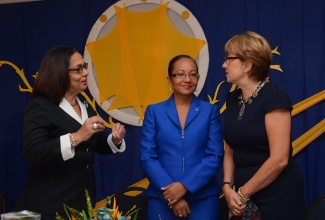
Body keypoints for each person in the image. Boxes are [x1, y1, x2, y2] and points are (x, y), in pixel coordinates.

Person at [14, 45, 126, 219]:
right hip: (51, 207)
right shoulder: (40, 106)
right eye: (78, 69)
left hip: (82, 205)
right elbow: (33, 153)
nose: (86, 73)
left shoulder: (84, 105)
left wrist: (115, 139)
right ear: (59, 74)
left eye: (85, 67)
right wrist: (78, 136)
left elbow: (95, 143)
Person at [222, 31, 306, 219]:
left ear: (247, 65)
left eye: (229, 59)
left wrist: (243, 194)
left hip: (277, 196)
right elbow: (229, 149)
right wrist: (227, 186)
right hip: (242, 197)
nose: (224, 65)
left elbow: (279, 159)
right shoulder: (233, 98)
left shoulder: (273, 96)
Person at [140, 55, 224, 219]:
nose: (188, 79)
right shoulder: (154, 112)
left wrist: (184, 186)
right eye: (180, 74)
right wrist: (173, 194)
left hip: (203, 198)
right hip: (162, 197)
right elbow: (147, 157)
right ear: (169, 79)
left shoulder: (210, 111)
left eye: (193, 74)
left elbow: (214, 155)